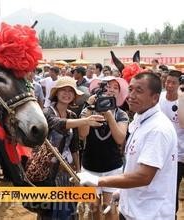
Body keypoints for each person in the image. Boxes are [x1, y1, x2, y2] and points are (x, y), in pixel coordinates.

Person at [74, 72, 178, 220]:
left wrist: (98, 181)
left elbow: (144, 176)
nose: (131, 95)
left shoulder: (157, 129)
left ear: (155, 97)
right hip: (134, 209)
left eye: (139, 91)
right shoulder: (140, 121)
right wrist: (123, 192)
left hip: (150, 214)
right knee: (94, 209)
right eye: (130, 89)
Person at [33, 76, 105, 219]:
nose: (67, 94)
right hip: (49, 172)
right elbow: (57, 123)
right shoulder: (47, 112)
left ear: (74, 96)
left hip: (67, 171)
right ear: (56, 93)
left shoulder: (73, 115)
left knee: (69, 209)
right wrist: (86, 120)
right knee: (49, 211)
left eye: (70, 91)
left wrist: (77, 171)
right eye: (63, 90)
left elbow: (75, 146)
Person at [79, 76, 129, 220]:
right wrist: (89, 108)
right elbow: (83, 135)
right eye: (107, 86)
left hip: (112, 169)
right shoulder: (89, 110)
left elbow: (120, 139)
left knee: (110, 209)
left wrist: (108, 115)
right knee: (93, 208)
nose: (110, 90)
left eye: (115, 87)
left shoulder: (121, 114)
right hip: (90, 167)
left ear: (119, 93)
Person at [159, 70, 184, 217]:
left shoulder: (182, 99)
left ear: (179, 84)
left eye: (173, 82)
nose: (169, 85)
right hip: (169, 155)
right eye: (167, 82)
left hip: (182, 151)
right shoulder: (159, 98)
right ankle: (171, 215)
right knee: (170, 189)